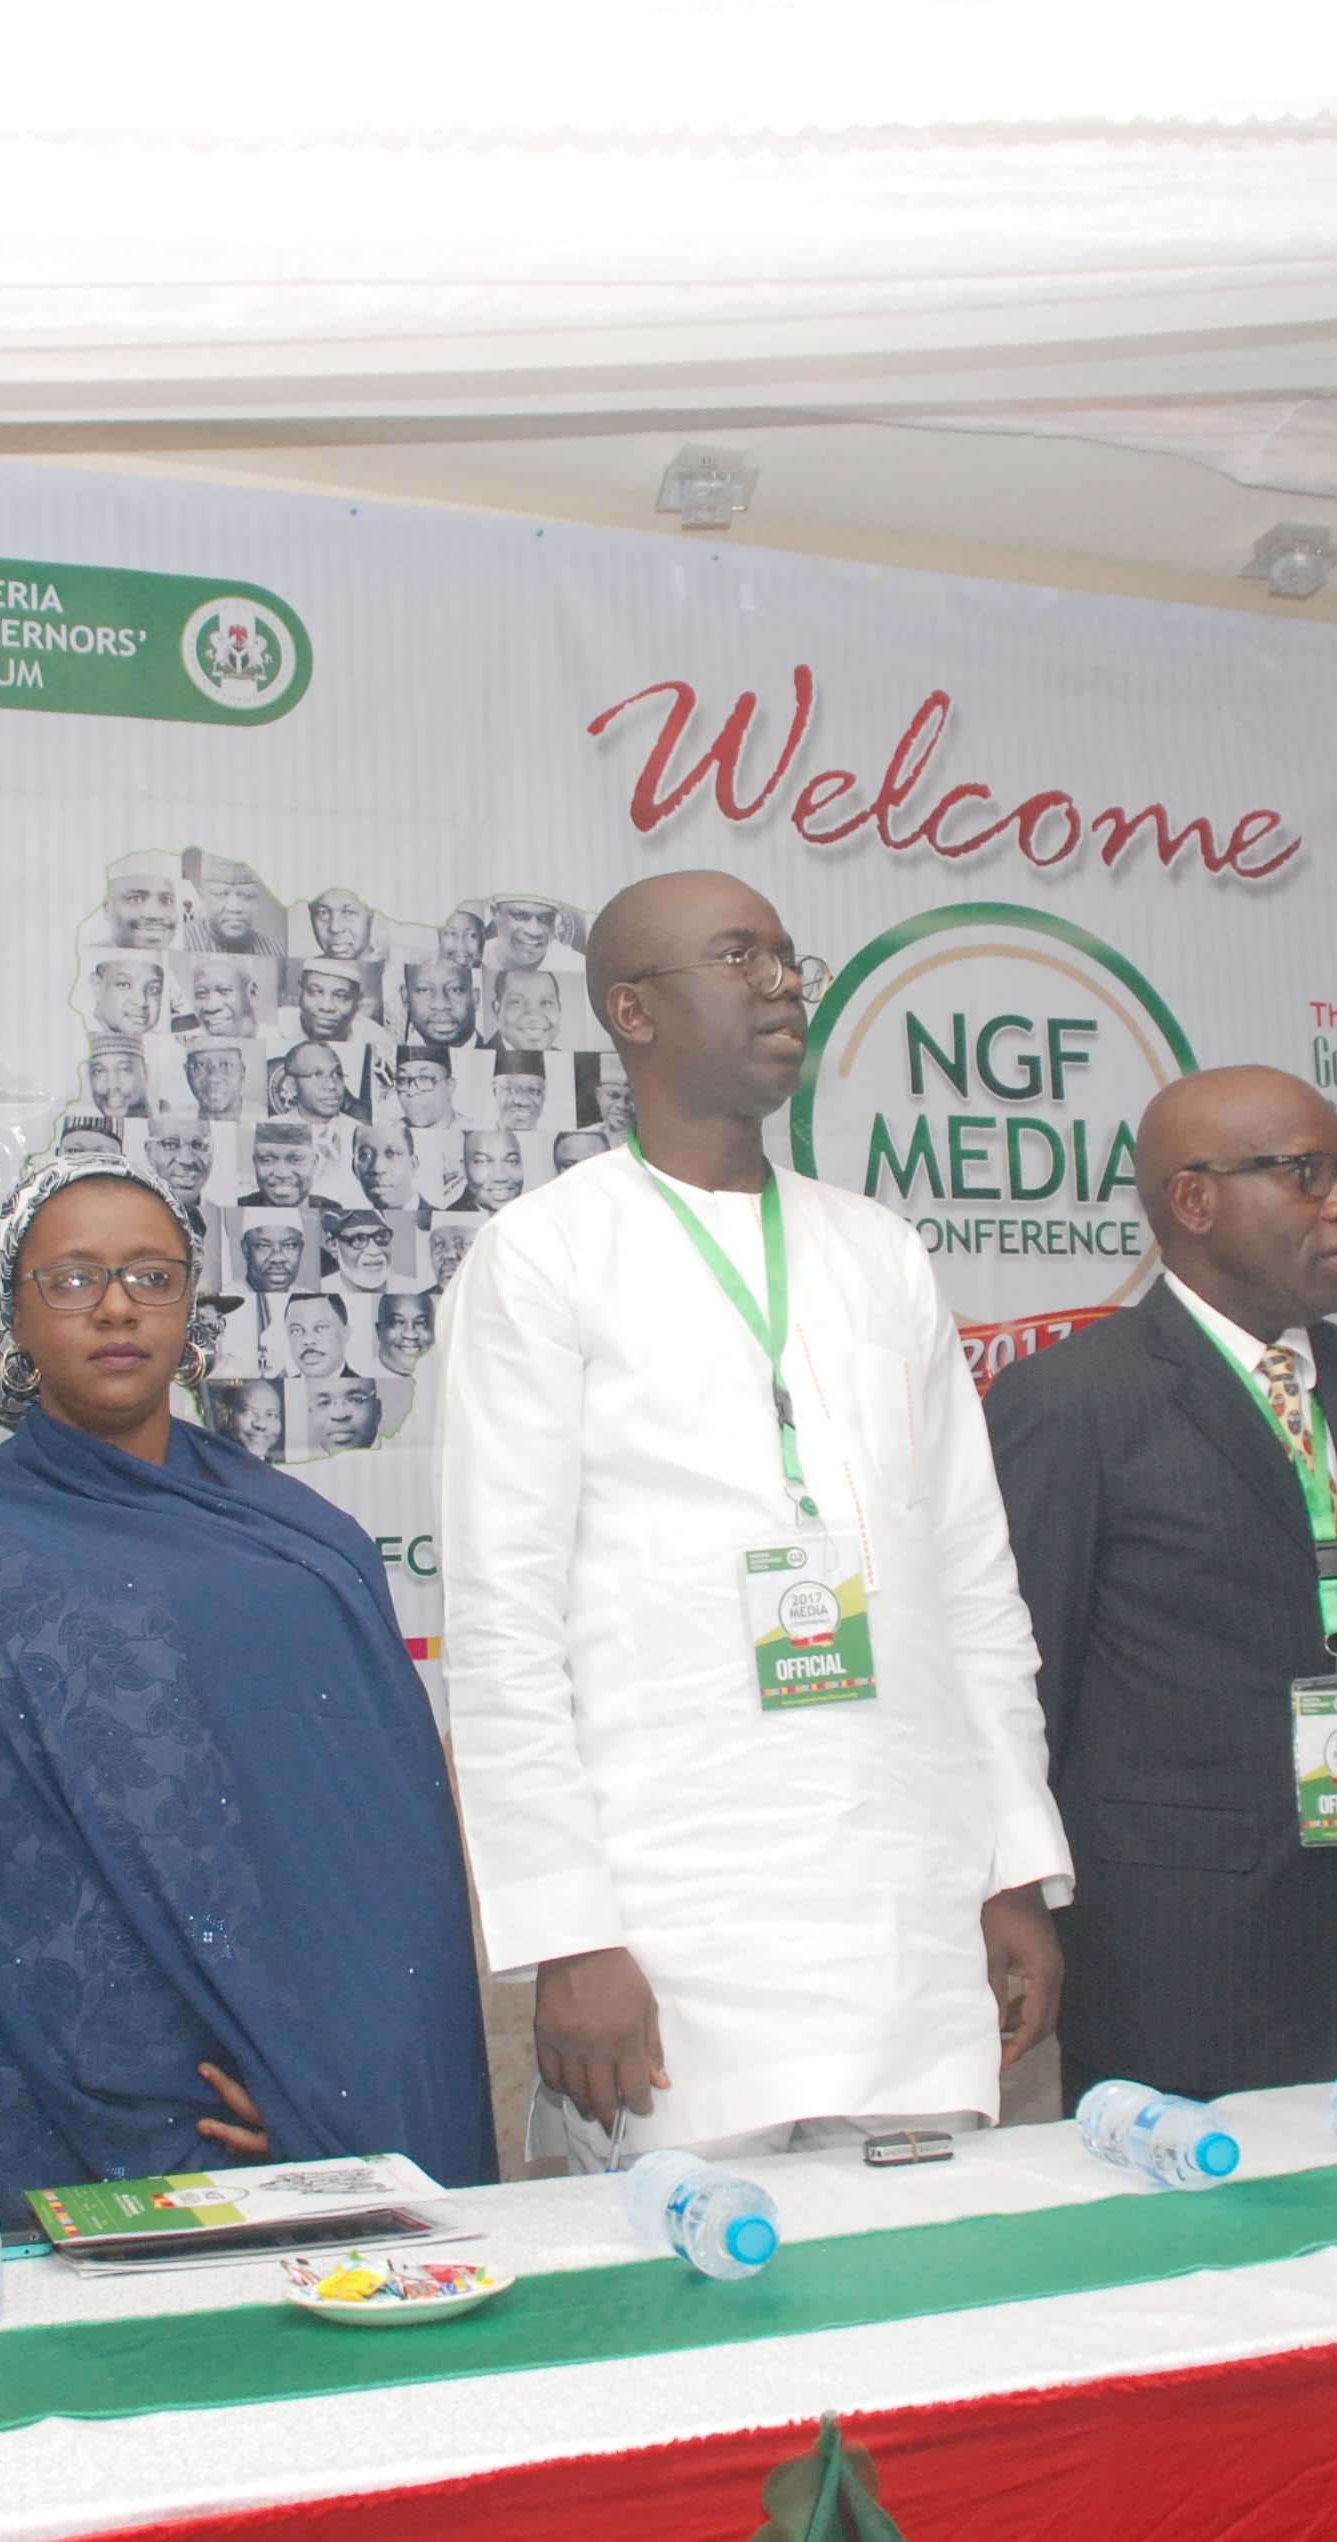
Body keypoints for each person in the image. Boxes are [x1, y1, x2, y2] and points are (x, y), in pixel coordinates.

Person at [436, 869, 1068, 2159]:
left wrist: (1011, 1862)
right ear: (631, 1011)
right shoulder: (546, 1250)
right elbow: (503, 1622)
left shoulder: (876, 1247)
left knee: (923, 2321)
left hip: (904, 1901)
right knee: (704, 2331)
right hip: (671, 1931)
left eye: (788, 959)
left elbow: (969, 1583)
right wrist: (569, 1932)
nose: (783, 987)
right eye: (739, 959)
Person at [0, 1152, 489, 2244]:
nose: (114, 1307)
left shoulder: (306, 1554)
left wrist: (332, 2097)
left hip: (264, 2135)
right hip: (1, 2131)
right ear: (11, 1310)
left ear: (194, 1311)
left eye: (152, 1277)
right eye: (71, 1279)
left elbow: (387, 1888)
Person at [984, 1068, 1337, 2100]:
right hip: (1178, 1950)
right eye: (1302, 1174)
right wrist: (1010, 1895)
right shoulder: (1072, 1402)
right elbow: (1022, 1686)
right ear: (1192, 1201)